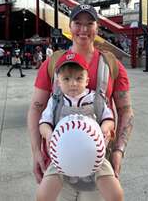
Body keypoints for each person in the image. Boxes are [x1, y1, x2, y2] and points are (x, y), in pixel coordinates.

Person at [28, 4, 134, 201]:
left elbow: (126, 111)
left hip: (96, 161)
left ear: (97, 27)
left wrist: (118, 151)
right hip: (59, 161)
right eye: (78, 23)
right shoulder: (52, 63)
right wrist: (36, 151)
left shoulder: (112, 65)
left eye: (90, 23)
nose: (83, 29)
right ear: (70, 25)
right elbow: (36, 109)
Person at [37, 51, 122, 201]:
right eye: (67, 79)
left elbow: (108, 119)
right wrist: (49, 134)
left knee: (116, 194)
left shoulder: (95, 99)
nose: (73, 83)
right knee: (43, 195)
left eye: (79, 78)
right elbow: (44, 123)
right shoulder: (56, 101)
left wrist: (105, 128)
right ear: (58, 82)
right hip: (61, 156)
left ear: (87, 80)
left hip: (94, 154)